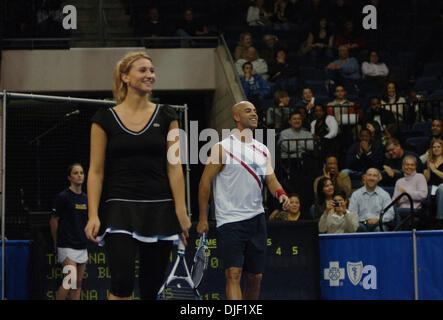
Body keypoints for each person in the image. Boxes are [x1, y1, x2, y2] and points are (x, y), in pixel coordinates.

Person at [84, 51, 191, 300]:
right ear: (125, 77)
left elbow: (175, 167)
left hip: (160, 209)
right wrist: (92, 214)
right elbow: (96, 171)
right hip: (119, 208)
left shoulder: (168, 116)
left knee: (151, 288)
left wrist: (181, 210)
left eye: (152, 71)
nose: (150, 75)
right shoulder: (103, 119)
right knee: (121, 283)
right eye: (142, 70)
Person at [197, 101, 290, 300]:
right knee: (233, 274)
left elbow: (271, 179)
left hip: (257, 219)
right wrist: (203, 218)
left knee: (255, 277)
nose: (254, 114)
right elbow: (204, 182)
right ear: (236, 117)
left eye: (256, 111)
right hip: (230, 221)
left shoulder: (263, 149)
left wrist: (281, 194)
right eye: (248, 111)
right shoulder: (221, 148)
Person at [50, 163, 88, 300]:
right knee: (69, 280)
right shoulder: (63, 197)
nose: (79, 175)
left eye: (82, 173)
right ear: (69, 177)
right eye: (76, 173)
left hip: (82, 246)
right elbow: (54, 220)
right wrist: (56, 243)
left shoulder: (86, 198)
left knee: (77, 284)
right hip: (66, 245)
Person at [348, 168, 395, 232]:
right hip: (362, 223)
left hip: (379, 223)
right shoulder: (356, 194)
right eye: (369, 175)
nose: (371, 178)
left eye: (374, 176)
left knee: (380, 229)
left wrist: (378, 219)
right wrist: (363, 220)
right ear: (365, 177)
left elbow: (390, 213)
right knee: (357, 227)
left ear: (378, 179)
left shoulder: (384, 194)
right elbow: (352, 214)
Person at [423, 138, 443, 229]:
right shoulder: (429, 161)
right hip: (431, 187)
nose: (436, 148)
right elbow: (426, 180)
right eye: (434, 147)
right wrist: (428, 169)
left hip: (442, 187)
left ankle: (440, 220)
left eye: (438, 146)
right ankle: (429, 223)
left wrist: (434, 170)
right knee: (430, 189)